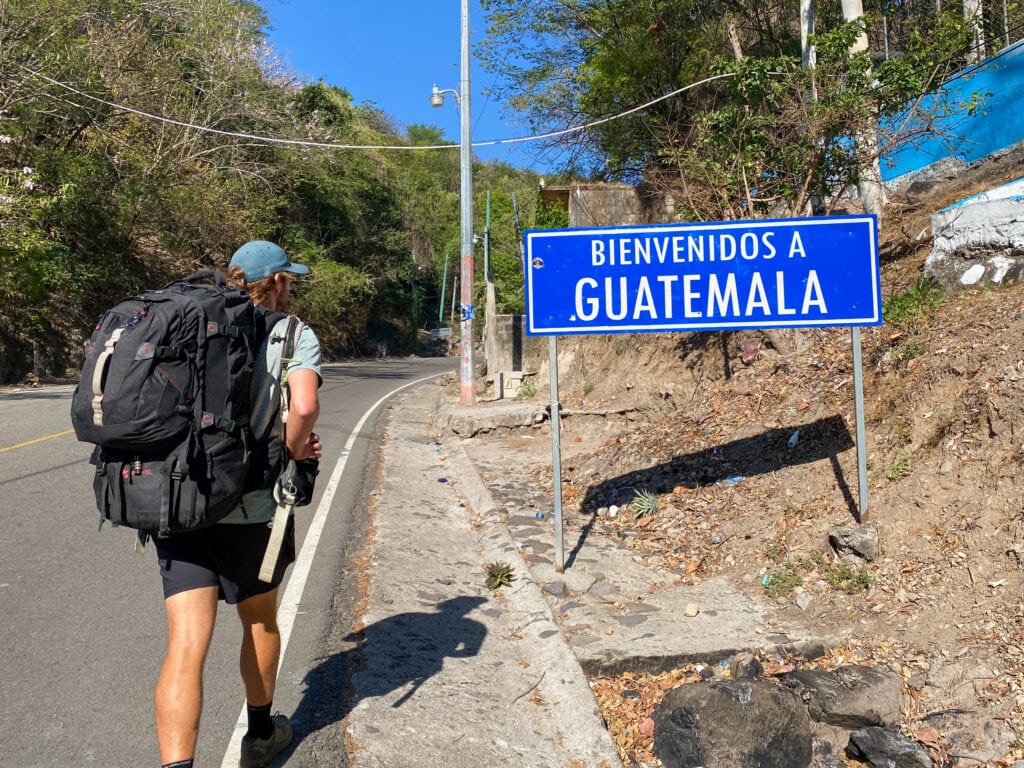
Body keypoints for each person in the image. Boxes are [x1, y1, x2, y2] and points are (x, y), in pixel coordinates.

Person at [153, 240, 323, 768]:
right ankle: (260, 733)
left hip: (181, 498)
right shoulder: (291, 332)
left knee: (185, 642)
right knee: (259, 619)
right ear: (275, 281)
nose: (289, 286)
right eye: (287, 279)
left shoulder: (190, 322)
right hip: (251, 507)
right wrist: (295, 449)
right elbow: (305, 406)